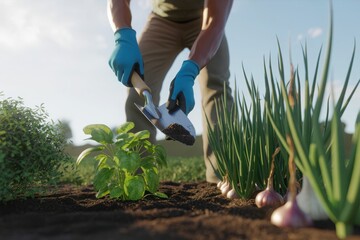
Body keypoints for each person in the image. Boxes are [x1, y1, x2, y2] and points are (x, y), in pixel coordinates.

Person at [107, 0, 234, 184]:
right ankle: (138, 178)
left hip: (206, 20)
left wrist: (191, 69)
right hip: (161, 19)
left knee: (217, 87)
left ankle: (223, 174)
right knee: (137, 92)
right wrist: (122, 34)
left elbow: (215, 21)